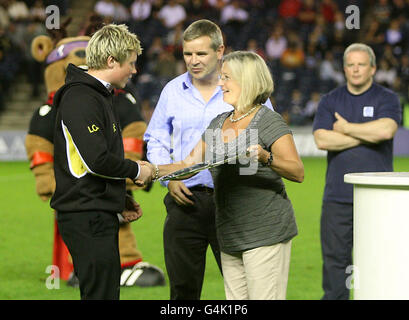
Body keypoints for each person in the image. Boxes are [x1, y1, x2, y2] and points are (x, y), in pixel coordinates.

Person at [149, 51, 304, 300]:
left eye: (227, 77)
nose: (220, 83)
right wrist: (151, 171)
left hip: (264, 232)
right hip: (230, 234)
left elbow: (297, 172)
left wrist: (265, 157)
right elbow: (187, 164)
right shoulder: (218, 122)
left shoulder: (267, 121)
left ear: (247, 80)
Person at [50, 24, 153, 300]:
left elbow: (89, 163)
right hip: (86, 215)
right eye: (130, 63)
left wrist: (117, 197)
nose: (134, 70)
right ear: (111, 61)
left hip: (94, 210)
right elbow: (97, 160)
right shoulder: (81, 97)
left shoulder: (96, 95)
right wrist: (137, 169)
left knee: (105, 293)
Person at [313, 43, 401, 300]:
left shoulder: (387, 98)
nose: (355, 69)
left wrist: (346, 128)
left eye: (361, 64)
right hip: (337, 198)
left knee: (379, 261)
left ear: (373, 68)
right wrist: (367, 134)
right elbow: (322, 140)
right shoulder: (330, 100)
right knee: (334, 264)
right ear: (344, 68)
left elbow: (385, 131)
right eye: (350, 64)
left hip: (378, 198)